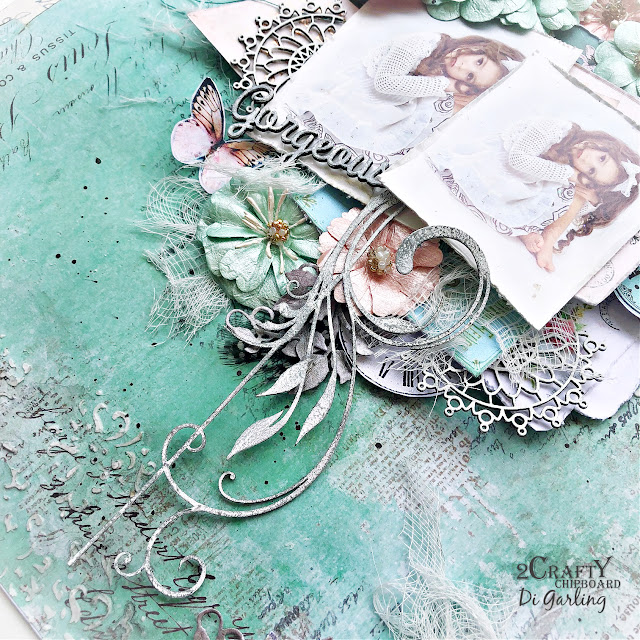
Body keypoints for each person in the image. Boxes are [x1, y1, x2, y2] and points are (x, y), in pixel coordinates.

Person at [431, 118, 640, 272]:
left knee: (574, 193)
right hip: (494, 164)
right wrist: (570, 175)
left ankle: (543, 236)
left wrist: (590, 197)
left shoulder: (569, 168)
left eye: (591, 171)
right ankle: (523, 229)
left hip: (517, 184)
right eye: (602, 158)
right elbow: (517, 160)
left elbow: (571, 205)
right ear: (606, 145)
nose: (588, 161)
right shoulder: (558, 128)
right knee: (566, 184)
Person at [290, 33, 523, 156]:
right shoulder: (424, 43)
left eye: (470, 77)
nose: (464, 68)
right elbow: (385, 82)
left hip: (378, 102)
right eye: (478, 61)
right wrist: (444, 84)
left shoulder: (438, 69)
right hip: (354, 90)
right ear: (476, 48)